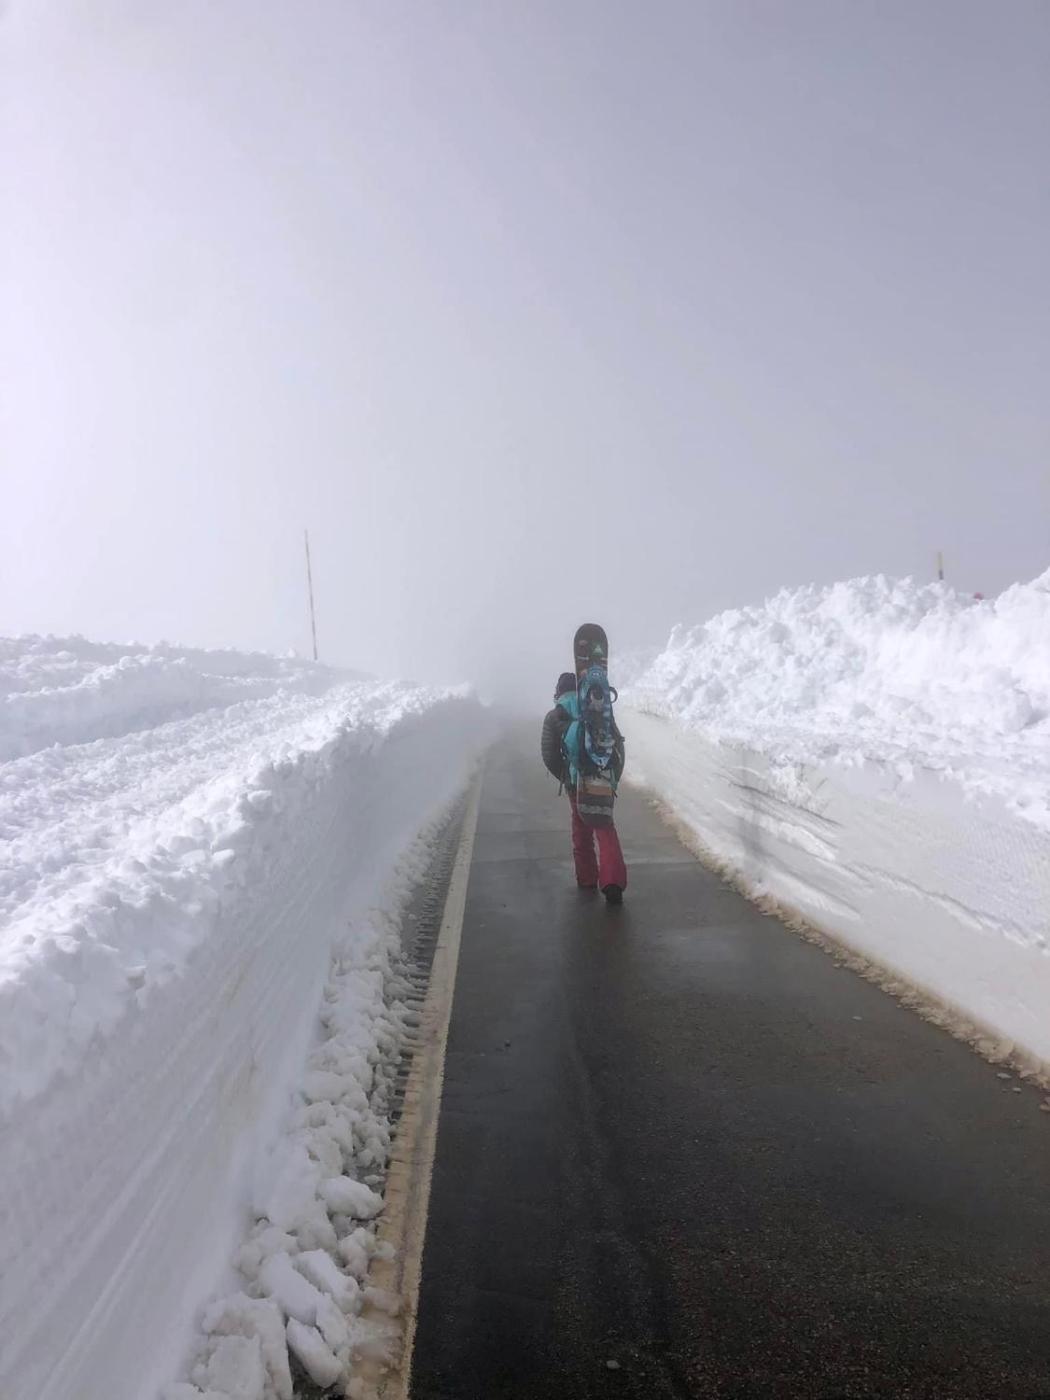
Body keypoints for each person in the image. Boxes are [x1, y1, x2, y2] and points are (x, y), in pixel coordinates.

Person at [541, 671, 628, 904]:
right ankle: (613, 882)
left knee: (581, 827)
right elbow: (617, 745)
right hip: (603, 777)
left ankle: (587, 878)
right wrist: (613, 779)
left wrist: (567, 778)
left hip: (576, 781)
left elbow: (549, 755)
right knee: (605, 826)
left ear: (558, 692)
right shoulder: (597, 708)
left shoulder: (555, 715)